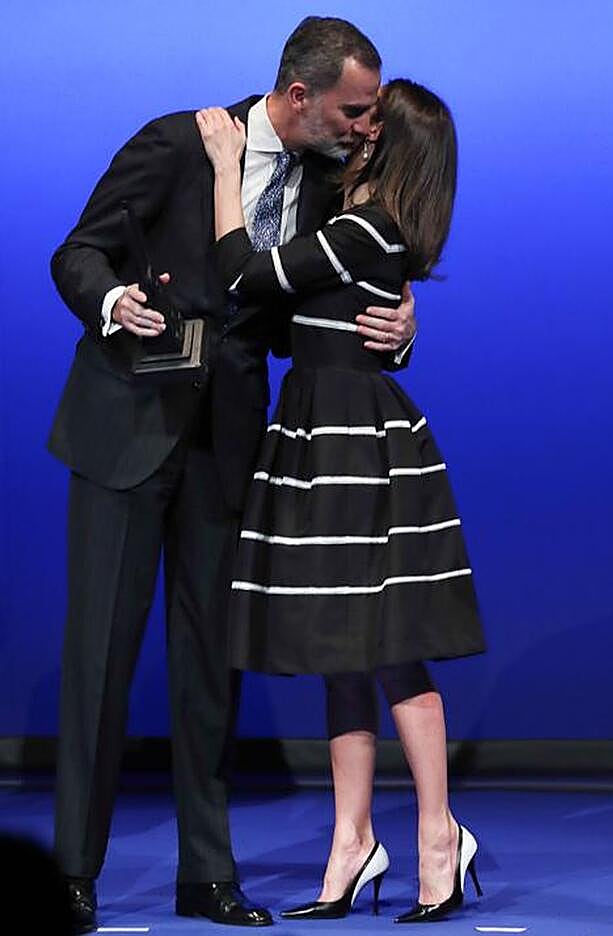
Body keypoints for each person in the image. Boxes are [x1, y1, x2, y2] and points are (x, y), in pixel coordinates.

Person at [49, 16, 416, 935]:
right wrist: (110, 299)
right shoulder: (179, 140)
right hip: (127, 426)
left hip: (229, 443)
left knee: (210, 665)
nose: (363, 127)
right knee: (100, 658)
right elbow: (77, 250)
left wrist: (402, 327)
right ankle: (70, 874)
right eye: (353, 109)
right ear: (300, 97)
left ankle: (205, 877)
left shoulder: (334, 186)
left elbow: (337, 300)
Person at [196, 77, 486, 924]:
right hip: (322, 431)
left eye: (369, 121)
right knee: (342, 646)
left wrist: (224, 166)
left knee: (393, 643)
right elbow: (307, 321)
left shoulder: (365, 230)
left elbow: (245, 276)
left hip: (356, 443)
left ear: (384, 144)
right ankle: (351, 840)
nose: (353, 129)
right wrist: (404, 325)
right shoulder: (352, 226)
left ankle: (439, 835)